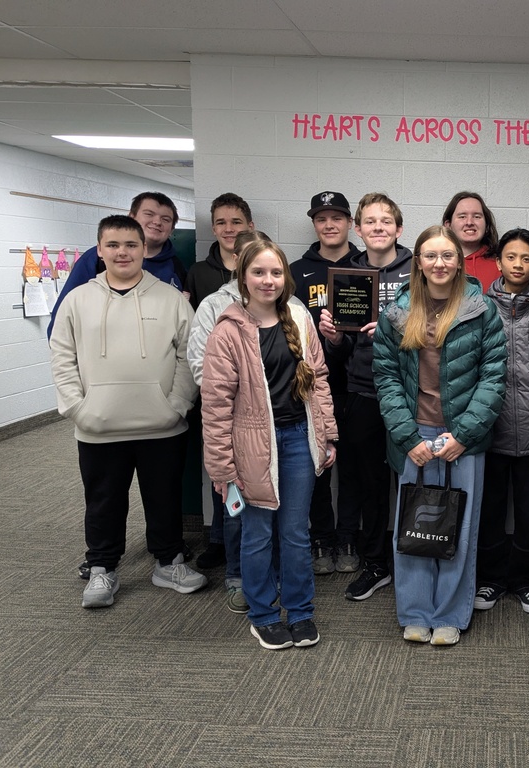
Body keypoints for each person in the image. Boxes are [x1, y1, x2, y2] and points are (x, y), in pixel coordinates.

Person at [49, 214, 206, 608]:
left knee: (164, 497)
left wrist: (178, 404)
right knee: (103, 500)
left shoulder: (170, 299)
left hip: (162, 425)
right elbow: (62, 356)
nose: (123, 252)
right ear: (99, 251)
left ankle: (169, 561)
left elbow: (190, 356)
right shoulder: (77, 299)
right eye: (114, 245)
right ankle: (102, 569)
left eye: (131, 245)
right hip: (98, 426)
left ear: (143, 249)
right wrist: (77, 408)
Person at [200, 240, 338, 650]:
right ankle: (262, 614)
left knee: (296, 532)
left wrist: (327, 433)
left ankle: (300, 612)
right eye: (259, 272)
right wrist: (222, 469)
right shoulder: (228, 330)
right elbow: (215, 406)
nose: (268, 280)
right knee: (257, 534)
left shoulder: (298, 315)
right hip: (251, 446)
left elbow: (320, 379)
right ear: (242, 277)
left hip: (298, 440)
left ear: (285, 277)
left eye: (276, 273)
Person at [372, 225, 506, 647]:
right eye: (431, 255)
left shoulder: (480, 309)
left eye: (447, 255)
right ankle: (414, 612)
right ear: (419, 261)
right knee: (412, 527)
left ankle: (448, 613)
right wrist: (407, 435)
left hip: (463, 438)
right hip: (413, 436)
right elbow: (386, 377)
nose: (440, 263)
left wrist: (464, 435)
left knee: (458, 528)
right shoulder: (397, 310)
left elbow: (494, 377)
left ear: (459, 260)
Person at [318, 193, 413, 599]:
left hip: (412, 394)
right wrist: (335, 338)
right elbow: (338, 353)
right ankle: (376, 564)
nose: (378, 228)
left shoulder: (418, 270)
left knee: (413, 481)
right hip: (362, 391)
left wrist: (397, 334)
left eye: (385, 221)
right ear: (358, 229)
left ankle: (416, 559)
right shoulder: (343, 274)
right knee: (370, 484)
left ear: (398, 228)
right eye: (369, 222)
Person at [186, 230, 275, 613]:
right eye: (250, 261)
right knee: (238, 506)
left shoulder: (285, 305)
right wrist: (240, 398)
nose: (263, 275)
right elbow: (200, 365)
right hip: (237, 422)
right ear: (237, 262)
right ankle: (237, 577)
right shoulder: (213, 307)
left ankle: (271, 575)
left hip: (277, 424)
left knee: (273, 508)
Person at [475, 228, 529, 615]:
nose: (518, 264)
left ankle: (528, 582)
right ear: (499, 262)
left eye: (526, 258)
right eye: (511, 257)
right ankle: (491, 579)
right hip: (488, 432)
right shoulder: (478, 306)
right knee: (490, 512)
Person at [289, 191, 362, 575]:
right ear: (314, 224)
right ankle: (321, 538)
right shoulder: (298, 270)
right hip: (312, 383)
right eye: (322, 218)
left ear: (351, 222)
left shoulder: (366, 265)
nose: (329, 224)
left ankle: (349, 535)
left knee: (351, 464)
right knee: (316, 464)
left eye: (337, 217)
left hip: (359, 382)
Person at [48, 192, 184, 338]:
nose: (157, 222)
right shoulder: (94, 260)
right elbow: (63, 319)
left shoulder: (177, 268)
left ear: (172, 230)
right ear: (131, 217)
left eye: (165, 219)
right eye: (149, 214)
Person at [185, 193, 255, 310]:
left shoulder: (264, 271)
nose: (228, 229)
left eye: (236, 222)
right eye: (221, 223)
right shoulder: (197, 273)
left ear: (250, 227)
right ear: (214, 229)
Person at [442, 191, 500, 292]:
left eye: (477, 216)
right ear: (448, 225)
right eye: (462, 216)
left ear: (486, 225)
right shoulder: (436, 263)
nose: (469, 222)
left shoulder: (501, 264)